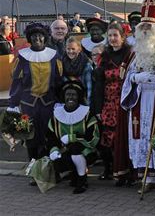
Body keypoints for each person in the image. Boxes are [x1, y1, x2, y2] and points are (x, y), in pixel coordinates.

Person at [120, 0, 155, 194]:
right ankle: (146, 175)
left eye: (150, 27)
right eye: (143, 27)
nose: (147, 30)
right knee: (141, 136)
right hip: (140, 100)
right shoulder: (134, 52)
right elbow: (127, 78)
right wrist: (135, 79)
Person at [8, 23, 63, 171]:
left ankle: (48, 170)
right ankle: (33, 170)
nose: (37, 38)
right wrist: (13, 103)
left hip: (48, 103)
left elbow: (58, 80)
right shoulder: (23, 57)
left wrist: (60, 101)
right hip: (28, 105)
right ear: (29, 39)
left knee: (48, 137)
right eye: (34, 36)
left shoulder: (53, 56)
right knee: (30, 139)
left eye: (40, 36)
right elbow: (17, 81)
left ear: (45, 38)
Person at [92, 23, 134, 185]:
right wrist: (98, 108)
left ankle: (128, 173)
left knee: (124, 139)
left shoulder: (130, 55)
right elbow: (99, 85)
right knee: (108, 140)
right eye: (110, 36)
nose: (112, 39)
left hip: (125, 103)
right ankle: (111, 170)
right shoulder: (105, 56)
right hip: (109, 104)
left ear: (123, 37)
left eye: (115, 35)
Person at [46, 80, 99, 194]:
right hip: (63, 150)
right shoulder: (56, 114)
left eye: (74, 94)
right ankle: (73, 175)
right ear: (64, 97)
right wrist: (53, 150)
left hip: (85, 150)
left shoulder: (87, 114)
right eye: (68, 94)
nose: (71, 97)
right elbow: (51, 137)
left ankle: (82, 180)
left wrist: (72, 137)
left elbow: (93, 136)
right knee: (52, 157)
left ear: (79, 96)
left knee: (75, 148)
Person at [62, 37, 93, 105]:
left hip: (82, 99)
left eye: (73, 49)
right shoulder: (62, 62)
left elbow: (89, 87)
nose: (70, 51)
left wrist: (88, 104)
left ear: (79, 49)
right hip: (67, 99)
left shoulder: (86, 65)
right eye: (68, 49)